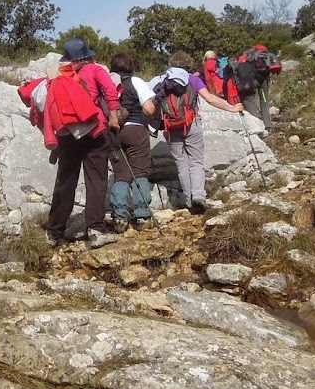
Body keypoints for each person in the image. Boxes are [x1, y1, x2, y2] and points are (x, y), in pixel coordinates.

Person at [46, 38, 121, 248]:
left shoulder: (58, 73)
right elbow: (110, 91)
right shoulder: (95, 70)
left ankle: (54, 231)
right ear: (87, 55)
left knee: (65, 181)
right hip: (94, 129)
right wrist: (113, 117)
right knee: (96, 179)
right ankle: (96, 230)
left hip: (67, 132)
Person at [154, 51, 244, 214]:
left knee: (181, 163)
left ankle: (188, 201)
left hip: (170, 126)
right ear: (187, 65)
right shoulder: (192, 79)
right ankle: (198, 196)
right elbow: (210, 99)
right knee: (196, 161)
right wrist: (232, 108)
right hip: (191, 122)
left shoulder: (162, 79)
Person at [108, 53, 158, 230]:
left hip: (114, 133)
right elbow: (149, 109)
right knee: (139, 172)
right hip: (136, 130)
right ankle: (142, 215)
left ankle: (120, 216)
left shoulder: (107, 82)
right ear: (130, 66)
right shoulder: (135, 82)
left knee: (121, 175)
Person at [236, 44, 278, 132]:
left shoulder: (248, 56)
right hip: (264, 80)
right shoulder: (266, 56)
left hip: (252, 81)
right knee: (264, 102)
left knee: (249, 100)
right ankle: (268, 125)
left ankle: (255, 124)